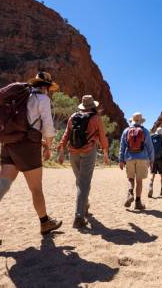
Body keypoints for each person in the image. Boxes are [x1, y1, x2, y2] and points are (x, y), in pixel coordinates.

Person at [0, 72, 62, 251]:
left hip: (9, 146)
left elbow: (22, 125)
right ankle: (44, 223)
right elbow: (48, 127)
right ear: (46, 87)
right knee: (36, 189)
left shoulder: (19, 96)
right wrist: (48, 147)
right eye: (49, 89)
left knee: (0, 188)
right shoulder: (42, 98)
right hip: (28, 148)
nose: (49, 92)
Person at [57, 95, 110, 229]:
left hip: (73, 152)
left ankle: (85, 205)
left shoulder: (73, 116)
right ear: (93, 106)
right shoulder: (96, 118)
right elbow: (103, 137)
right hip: (88, 151)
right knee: (84, 183)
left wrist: (62, 150)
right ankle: (79, 217)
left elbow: (66, 134)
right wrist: (105, 153)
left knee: (81, 182)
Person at [119, 112, 154, 210]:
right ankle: (138, 203)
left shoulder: (126, 131)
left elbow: (122, 146)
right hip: (142, 158)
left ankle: (130, 192)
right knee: (139, 181)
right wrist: (151, 160)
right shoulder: (145, 131)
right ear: (141, 121)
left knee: (130, 178)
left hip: (129, 157)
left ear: (132, 120)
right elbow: (150, 147)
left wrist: (121, 160)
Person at [148, 127, 162, 198]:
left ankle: (150, 186)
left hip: (153, 159)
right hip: (161, 160)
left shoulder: (151, 138)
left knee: (152, 174)